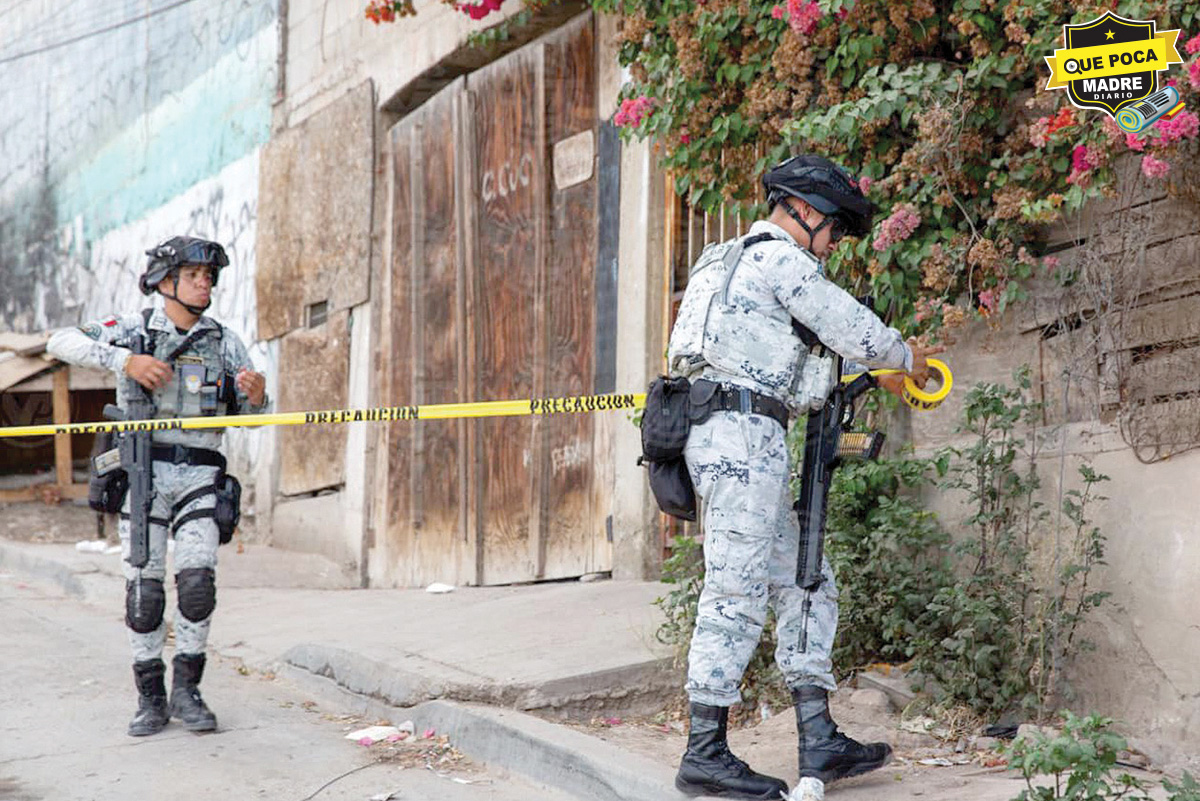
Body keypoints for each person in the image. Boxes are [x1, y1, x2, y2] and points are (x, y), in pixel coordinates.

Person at [666, 154, 943, 799]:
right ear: (807, 214)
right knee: (735, 591)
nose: (834, 244)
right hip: (739, 437)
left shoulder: (719, 261)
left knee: (806, 575)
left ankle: (818, 733)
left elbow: (777, 362)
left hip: (733, 433)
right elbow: (846, 324)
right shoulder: (779, 259)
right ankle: (703, 752)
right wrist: (906, 357)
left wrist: (853, 375)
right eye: (835, 232)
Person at [48, 236, 269, 737]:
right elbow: (59, 342)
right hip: (144, 476)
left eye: (209, 276)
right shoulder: (133, 329)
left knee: (196, 586)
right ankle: (149, 697)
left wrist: (256, 397)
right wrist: (124, 362)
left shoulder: (225, 340)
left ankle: (188, 692)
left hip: (200, 476)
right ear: (164, 281)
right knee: (144, 593)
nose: (204, 283)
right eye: (193, 274)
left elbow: (254, 419)